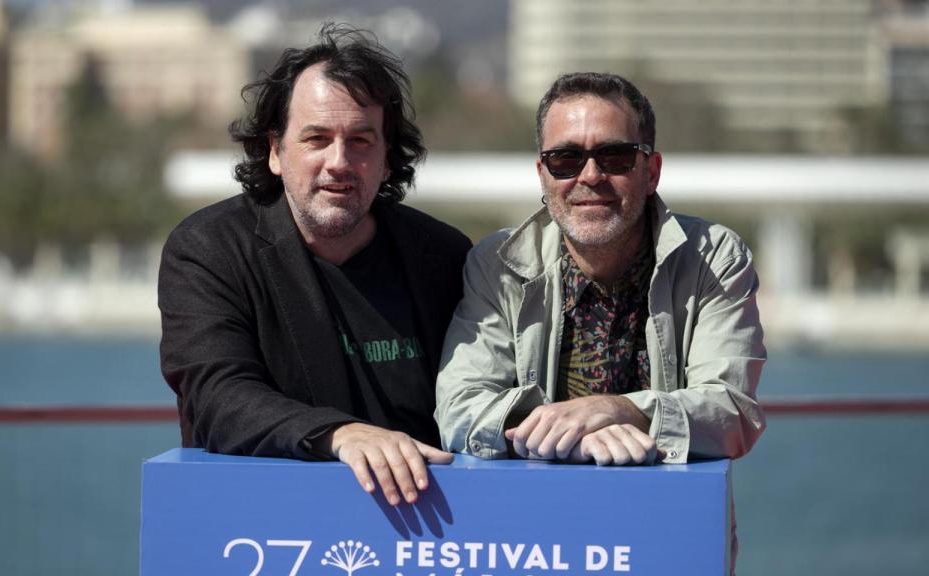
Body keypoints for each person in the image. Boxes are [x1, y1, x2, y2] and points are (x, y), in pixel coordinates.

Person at [159, 25, 471, 507]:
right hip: (265, 528)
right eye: (317, 138)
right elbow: (216, 398)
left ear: (389, 158)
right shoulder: (209, 249)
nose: (339, 161)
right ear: (275, 151)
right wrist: (339, 435)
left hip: (431, 531)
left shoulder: (443, 256)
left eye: (362, 140)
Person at [435, 72, 766, 466]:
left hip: (673, 517)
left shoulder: (714, 258)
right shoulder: (497, 265)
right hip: (534, 517)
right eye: (565, 159)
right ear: (542, 174)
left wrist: (620, 410)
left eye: (615, 156)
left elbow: (732, 412)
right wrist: (569, 434)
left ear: (651, 172)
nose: (590, 175)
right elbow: (459, 409)